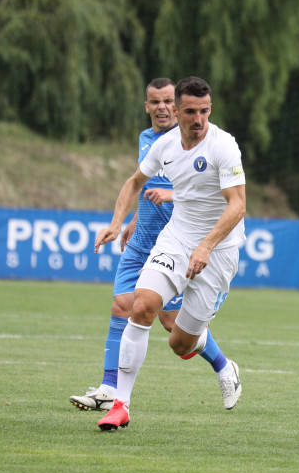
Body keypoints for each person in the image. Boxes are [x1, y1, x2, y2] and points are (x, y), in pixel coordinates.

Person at [93, 76, 247, 431]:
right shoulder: (163, 146)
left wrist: (207, 246)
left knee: (180, 342)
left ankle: (226, 366)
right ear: (176, 110)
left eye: (205, 111)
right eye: (190, 111)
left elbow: (238, 206)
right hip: (176, 239)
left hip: (219, 250)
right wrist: (117, 223)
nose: (198, 119)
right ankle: (121, 404)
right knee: (142, 304)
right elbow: (134, 182)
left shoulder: (224, 146)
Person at [69, 78, 208, 411]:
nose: (161, 107)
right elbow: (140, 183)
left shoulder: (195, 141)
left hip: (176, 243)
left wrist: (172, 199)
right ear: (146, 106)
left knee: (174, 325)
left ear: (176, 107)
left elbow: (204, 192)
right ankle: (108, 388)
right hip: (142, 240)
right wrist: (124, 223)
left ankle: (222, 365)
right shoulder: (146, 139)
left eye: (167, 102)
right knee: (122, 305)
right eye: (154, 102)